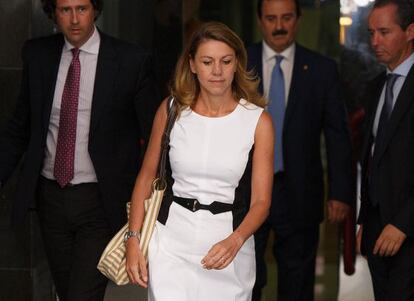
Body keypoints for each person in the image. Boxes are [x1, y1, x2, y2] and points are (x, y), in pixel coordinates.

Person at [0, 0, 156, 300]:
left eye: (82, 9)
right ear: (53, 13)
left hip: (100, 201)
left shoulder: (130, 60)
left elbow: (153, 135)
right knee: (66, 289)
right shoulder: (38, 55)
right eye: (65, 10)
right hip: (51, 198)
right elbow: (20, 126)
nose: (74, 19)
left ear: (95, 9)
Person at [125, 21, 274, 300]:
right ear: (192, 64)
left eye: (225, 61)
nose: (217, 71)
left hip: (228, 245)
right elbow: (146, 177)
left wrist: (236, 240)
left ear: (236, 64)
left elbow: (262, 202)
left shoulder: (257, 120)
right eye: (207, 61)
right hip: (170, 244)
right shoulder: (171, 110)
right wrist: (133, 239)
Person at [247, 0, 353, 300]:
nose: (279, 26)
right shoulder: (239, 62)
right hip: (247, 190)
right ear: (259, 20)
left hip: (300, 192)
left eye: (286, 17)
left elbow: (337, 136)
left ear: (298, 19)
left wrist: (340, 192)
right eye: (271, 18)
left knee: (297, 281)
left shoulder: (322, 69)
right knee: (245, 277)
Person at [357, 0, 414, 299]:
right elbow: (372, 160)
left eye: (384, 31)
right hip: (377, 228)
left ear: (410, 31)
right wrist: (365, 221)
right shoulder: (377, 85)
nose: (374, 41)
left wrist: (402, 224)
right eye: (371, 33)